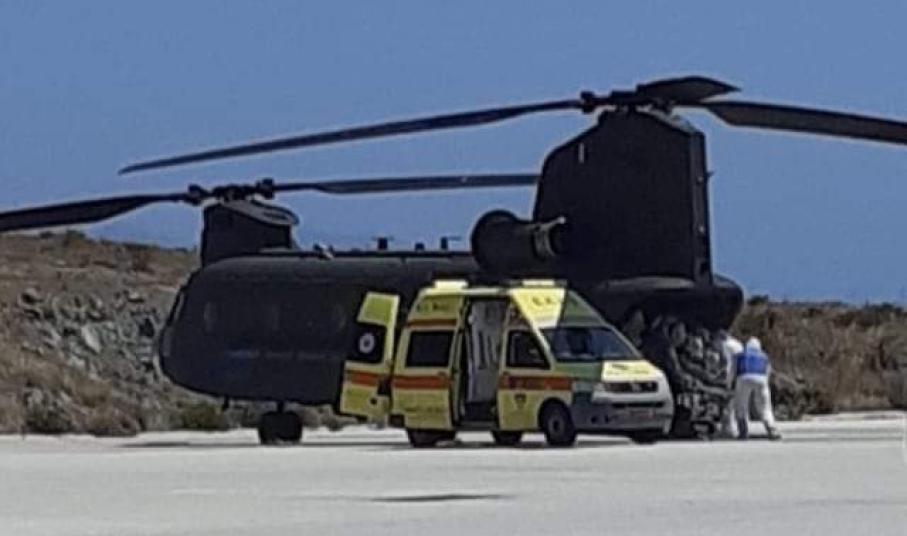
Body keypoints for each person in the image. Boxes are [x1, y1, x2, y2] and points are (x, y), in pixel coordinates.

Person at [734, 337, 781, 440]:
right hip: (761, 379)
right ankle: (771, 428)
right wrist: (765, 385)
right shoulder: (764, 356)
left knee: (741, 404)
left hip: (744, 377)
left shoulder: (741, 355)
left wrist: (730, 384)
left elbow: (734, 370)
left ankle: (743, 430)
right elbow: (768, 372)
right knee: (765, 406)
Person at [716, 331, 743, 438]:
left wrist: (727, 380)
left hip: (733, 376)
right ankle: (733, 428)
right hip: (741, 375)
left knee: (728, 403)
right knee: (735, 404)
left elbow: (729, 363)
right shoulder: (738, 343)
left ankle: (728, 429)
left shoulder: (726, 345)